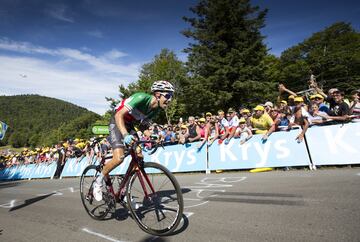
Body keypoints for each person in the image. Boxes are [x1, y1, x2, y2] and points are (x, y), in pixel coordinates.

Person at [93, 80, 175, 201]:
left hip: (129, 124)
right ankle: (98, 181)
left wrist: (152, 136)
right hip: (117, 121)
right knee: (119, 158)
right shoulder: (141, 97)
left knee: (139, 157)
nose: (170, 100)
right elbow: (118, 115)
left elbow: (143, 126)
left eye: (171, 96)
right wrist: (125, 135)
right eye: (168, 96)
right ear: (158, 95)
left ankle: (124, 189)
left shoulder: (156, 109)